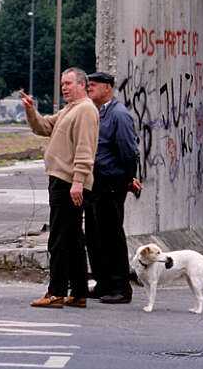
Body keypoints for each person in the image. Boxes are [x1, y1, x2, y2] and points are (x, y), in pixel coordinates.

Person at [22, 67, 99, 309]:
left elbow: (85, 150)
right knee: (74, 238)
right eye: (62, 84)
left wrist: (78, 181)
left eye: (68, 83)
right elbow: (44, 127)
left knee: (58, 238)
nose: (64, 87)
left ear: (82, 84)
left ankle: (55, 292)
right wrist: (31, 111)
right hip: (64, 180)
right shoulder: (70, 109)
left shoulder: (85, 110)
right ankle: (78, 292)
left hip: (68, 182)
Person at [85, 71, 141, 304]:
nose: (90, 89)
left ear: (108, 88)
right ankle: (103, 282)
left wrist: (127, 179)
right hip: (95, 183)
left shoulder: (118, 114)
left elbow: (129, 151)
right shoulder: (97, 112)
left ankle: (121, 286)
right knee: (95, 235)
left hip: (111, 183)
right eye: (88, 85)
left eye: (94, 85)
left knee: (112, 235)